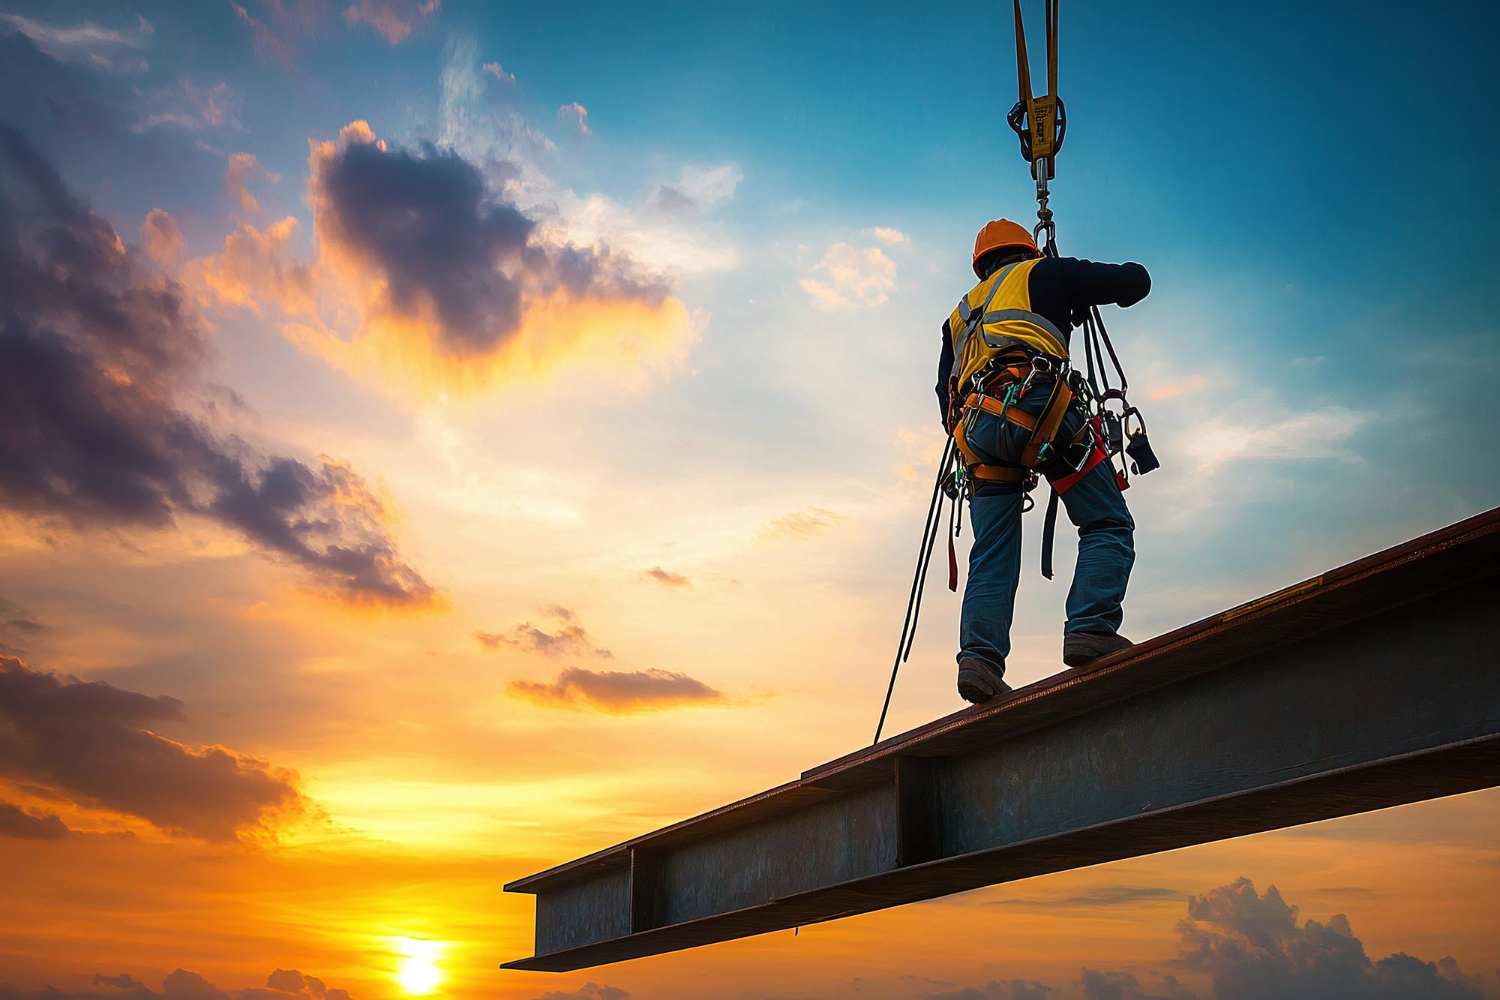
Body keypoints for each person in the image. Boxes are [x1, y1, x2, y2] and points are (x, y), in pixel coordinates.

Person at [936, 219, 1151, 704]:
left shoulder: (959, 316)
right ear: (1027, 250)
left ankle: (979, 661)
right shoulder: (1046, 273)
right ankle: (1091, 628)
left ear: (982, 264)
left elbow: (943, 398)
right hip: (1039, 407)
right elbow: (1134, 283)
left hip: (977, 432)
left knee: (991, 551)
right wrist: (1073, 284)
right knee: (1106, 523)